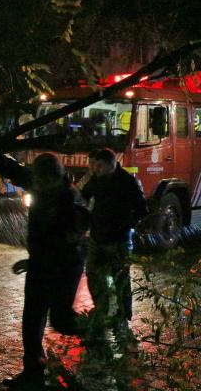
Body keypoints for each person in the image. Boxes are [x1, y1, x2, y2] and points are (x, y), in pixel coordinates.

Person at [0, 136, 87, 390]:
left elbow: (68, 240)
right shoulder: (40, 184)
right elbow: (15, 172)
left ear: (52, 178)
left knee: (61, 320)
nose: (34, 184)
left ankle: (97, 331)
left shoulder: (70, 200)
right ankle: (33, 374)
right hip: (41, 264)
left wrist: (38, 260)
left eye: (39, 180)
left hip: (65, 267)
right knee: (31, 323)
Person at [82, 148, 148, 345]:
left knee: (120, 281)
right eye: (93, 165)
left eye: (99, 165)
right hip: (97, 238)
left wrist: (125, 224)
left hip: (118, 240)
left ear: (111, 164)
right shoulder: (96, 179)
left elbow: (142, 210)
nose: (95, 169)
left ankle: (122, 318)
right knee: (93, 276)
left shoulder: (127, 182)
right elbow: (84, 197)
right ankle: (100, 313)